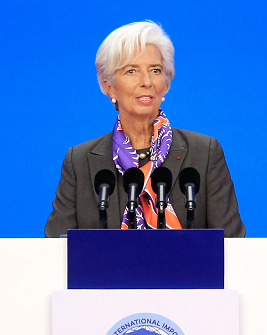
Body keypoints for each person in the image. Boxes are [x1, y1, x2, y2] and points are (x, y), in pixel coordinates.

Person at [45, 21, 245, 237]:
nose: (146, 81)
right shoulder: (80, 161)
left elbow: (232, 244)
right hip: (109, 271)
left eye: (155, 70)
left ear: (166, 83)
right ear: (108, 86)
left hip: (187, 272)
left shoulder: (204, 153)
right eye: (132, 71)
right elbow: (56, 249)